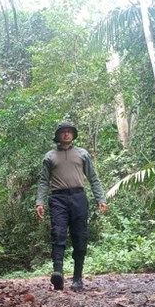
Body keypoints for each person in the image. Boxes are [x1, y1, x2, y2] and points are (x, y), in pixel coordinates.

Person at [35, 121, 107, 291]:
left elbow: (93, 177)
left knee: (80, 236)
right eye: (63, 132)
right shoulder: (49, 157)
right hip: (58, 198)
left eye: (69, 132)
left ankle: (77, 278)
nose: (66, 134)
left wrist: (101, 198)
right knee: (58, 233)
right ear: (58, 136)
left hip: (78, 197)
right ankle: (58, 273)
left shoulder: (82, 154)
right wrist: (39, 202)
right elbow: (44, 181)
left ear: (73, 135)